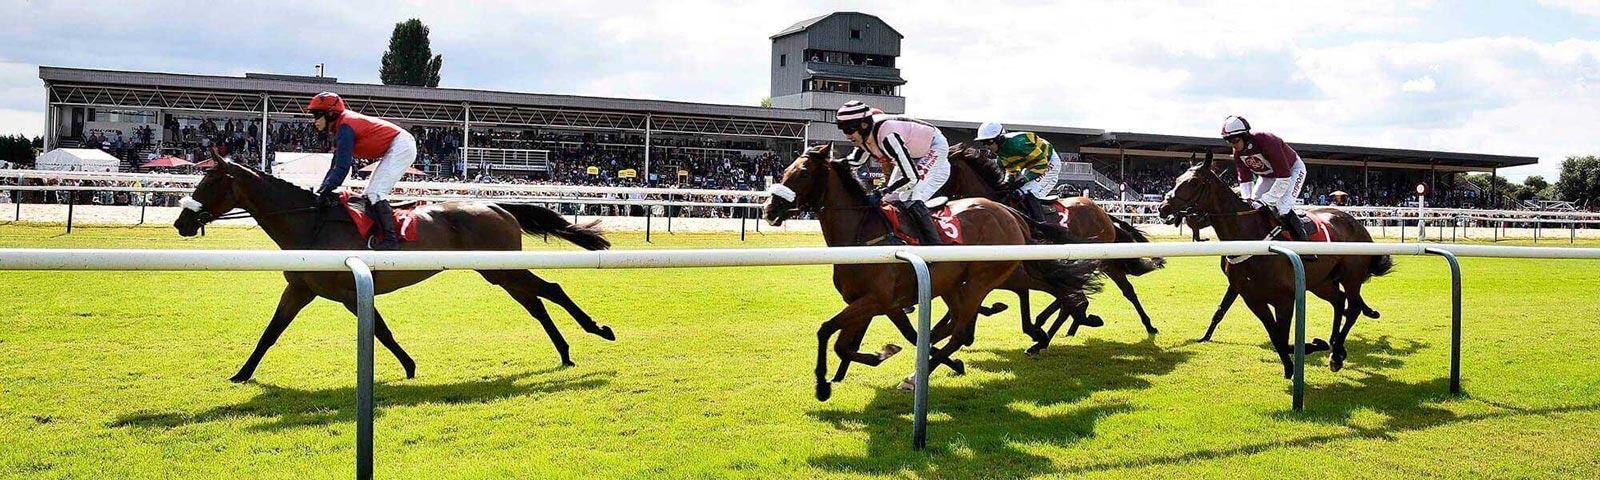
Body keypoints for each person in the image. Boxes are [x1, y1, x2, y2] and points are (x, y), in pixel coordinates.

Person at [307, 92, 418, 250]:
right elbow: (334, 166)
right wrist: (323, 189)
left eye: (317, 115)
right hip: (398, 144)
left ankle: (391, 241)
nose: (315, 121)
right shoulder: (340, 127)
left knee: (375, 193)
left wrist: (326, 190)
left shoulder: (345, 127)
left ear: (330, 114)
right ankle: (378, 234)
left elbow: (342, 167)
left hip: (401, 145)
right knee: (369, 194)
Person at [834, 100, 950, 245]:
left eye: (849, 130)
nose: (847, 135)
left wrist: (883, 190)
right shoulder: (864, 137)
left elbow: (911, 178)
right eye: (843, 130)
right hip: (914, 154)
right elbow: (853, 163)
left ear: (863, 126)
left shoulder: (887, 136)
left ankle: (935, 248)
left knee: (909, 196)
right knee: (889, 200)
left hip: (934, 147)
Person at [1221, 115, 1311, 243]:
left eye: (1234, 140)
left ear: (1245, 135)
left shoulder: (1267, 140)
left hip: (1292, 171)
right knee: (1252, 208)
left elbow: (1284, 177)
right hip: (1267, 176)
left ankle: (1305, 245)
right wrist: (1248, 200)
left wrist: (1265, 200)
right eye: (1228, 141)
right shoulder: (1238, 153)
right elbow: (1245, 180)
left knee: (1282, 208)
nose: (1233, 145)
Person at [974, 122, 1062, 228]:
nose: (987, 146)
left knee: (1028, 191)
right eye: (983, 143)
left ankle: (1043, 227)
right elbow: (1012, 169)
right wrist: (1007, 183)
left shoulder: (1018, 144)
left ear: (999, 139)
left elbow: (1041, 164)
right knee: (1013, 192)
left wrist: (1023, 180)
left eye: (989, 142)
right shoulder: (1001, 152)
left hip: (1048, 161)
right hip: (1030, 164)